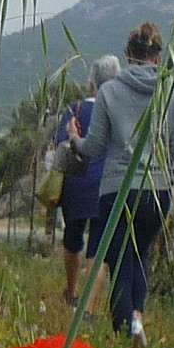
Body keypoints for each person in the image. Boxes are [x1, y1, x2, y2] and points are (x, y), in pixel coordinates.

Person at [72, 21, 174, 345]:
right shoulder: (173, 91)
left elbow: (94, 147)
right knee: (140, 255)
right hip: (157, 191)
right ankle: (134, 320)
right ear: (158, 56)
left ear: (128, 54)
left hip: (117, 190)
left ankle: (128, 329)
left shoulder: (109, 91)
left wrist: (75, 139)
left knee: (118, 260)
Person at [52, 55, 122, 306]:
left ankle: (71, 293)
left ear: (91, 85)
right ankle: (88, 307)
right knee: (98, 246)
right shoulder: (118, 112)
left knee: (73, 239)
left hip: (76, 185)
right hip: (107, 186)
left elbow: (61, 142)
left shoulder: (76, 109)